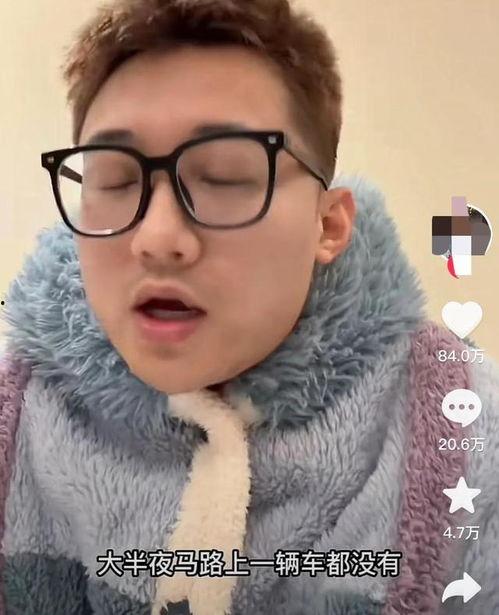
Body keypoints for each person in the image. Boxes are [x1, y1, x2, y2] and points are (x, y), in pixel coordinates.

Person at [0, 0, 497, 613]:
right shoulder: (16, 422)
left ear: (327, 225)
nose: (157, 237)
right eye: (117, 180)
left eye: (226, 178)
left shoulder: (466, 438)